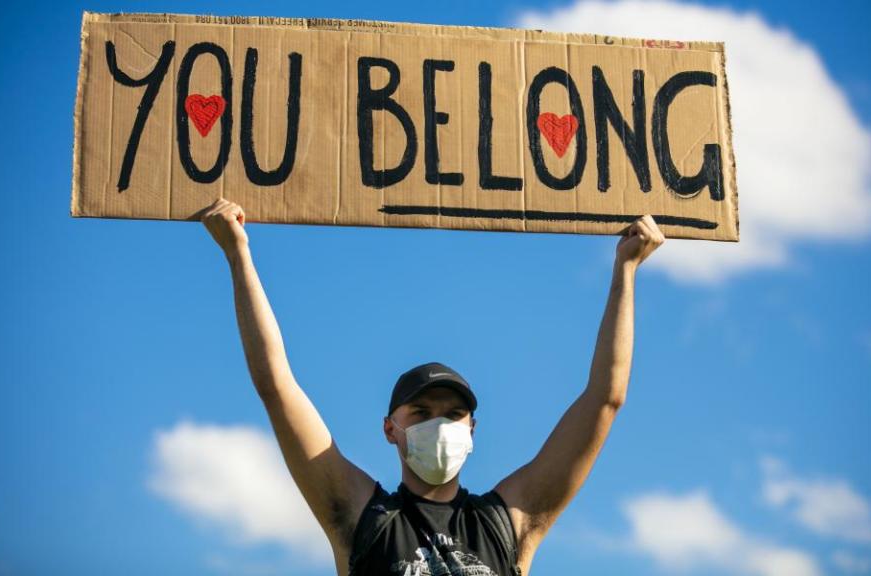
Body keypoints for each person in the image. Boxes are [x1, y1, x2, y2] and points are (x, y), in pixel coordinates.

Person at [198, 198, 665, 576]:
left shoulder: (507, 524)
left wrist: (626, 269)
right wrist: (237, 254)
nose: (439, 424)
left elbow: (605, 401)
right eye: (420, 413)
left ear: (473, 429)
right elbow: (276, 387)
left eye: (452, 414)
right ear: (389, 428)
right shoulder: (362, 518)